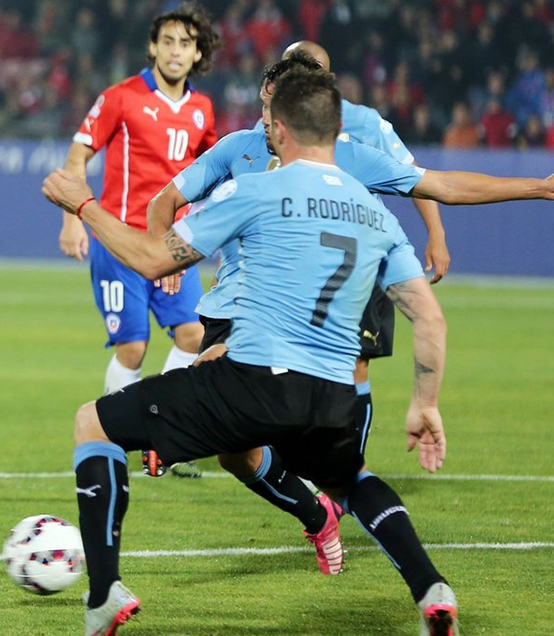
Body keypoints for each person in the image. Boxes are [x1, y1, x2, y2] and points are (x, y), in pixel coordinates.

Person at [44, 68, 458, 636]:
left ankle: (103, 594)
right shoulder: (374, 212)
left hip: (255, 381)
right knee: (352, 479)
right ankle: (431, 588)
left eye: (268, 119)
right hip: (333, 396)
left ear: (282, 129)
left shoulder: (257, 190)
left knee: (93, 423)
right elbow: (428, 317)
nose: (262, 126)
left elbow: (150, 258)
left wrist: (83, 204)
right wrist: (424, 403)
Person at [146, 52, 554, 576]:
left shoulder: (350, 151)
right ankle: (316, 510)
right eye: (273, 102)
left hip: (315, 302)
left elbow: (442, 186)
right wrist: (165, 256)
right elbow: (166, 200)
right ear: (267, 97)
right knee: (234, 453)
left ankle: (327, 481)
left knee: (283, 385)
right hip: (232, 305)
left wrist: (538, 188)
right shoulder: (237, 150)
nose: (274, 120)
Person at [58, 4, 223, 478]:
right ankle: (111, 438)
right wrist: (72, 219)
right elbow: (78, 154)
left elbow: (210, 170)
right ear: (153, 46)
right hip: (121, 243)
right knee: (133, 348)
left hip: (175, 245)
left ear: (197, 54)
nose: (175, 51)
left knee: (194, 337)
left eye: (185, 44)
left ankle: (164, 438)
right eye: (167, 41)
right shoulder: (122, 97)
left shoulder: (202, 110)